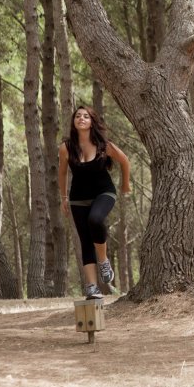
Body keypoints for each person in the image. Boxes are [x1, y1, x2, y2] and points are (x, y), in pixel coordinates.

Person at [58, 106, 131, 299]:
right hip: (78, 198)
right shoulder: (66, 147)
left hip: (104, 192)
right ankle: (92, 287)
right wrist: (64, 198)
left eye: (86, 116)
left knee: (95, 219)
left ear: (92, 122)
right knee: (85, 241)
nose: (81, 118)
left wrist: (125, 184)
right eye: (78, 116)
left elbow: (124, 161)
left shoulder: (104, 145)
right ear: (74, 122)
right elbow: (63, 173)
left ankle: (104, 261)